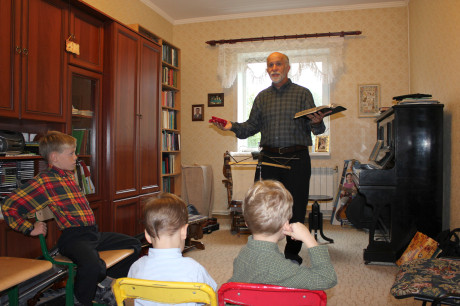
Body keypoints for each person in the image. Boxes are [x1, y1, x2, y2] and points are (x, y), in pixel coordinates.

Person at [211, 52, 330, 264]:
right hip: (269, 159)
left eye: (278, 64)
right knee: (263, 206)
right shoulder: (261, 97)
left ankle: (292, 254)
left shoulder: (303, 94)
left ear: (287, 67)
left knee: (297, 208)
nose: (274, 68)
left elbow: (317, 129)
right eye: (270, 65)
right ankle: (264, 251)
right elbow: (250, 127)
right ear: (267, 69)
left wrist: (317, 121)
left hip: (297, 158)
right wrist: (230, 126)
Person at [1, 131, 141, 306]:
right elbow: (9, 205)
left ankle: (103, 287)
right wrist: (29, 228)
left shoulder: (68, 176)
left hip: (92, 235)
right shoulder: (45, 181)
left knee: (134, 244)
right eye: (71, 153)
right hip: (73, 239)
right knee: (92, 266)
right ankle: (80, 300)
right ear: (55, 157)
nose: (76, 157)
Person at [229, 180, 337, 289]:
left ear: (247, 223)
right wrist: (308, 238)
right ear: (286, 224)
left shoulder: (242, 255)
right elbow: (327, 278)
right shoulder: (279, 268)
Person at [128, 193, 217, 305]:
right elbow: (211, 296)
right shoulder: (195, 270)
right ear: (184, 231)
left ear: (147, 235)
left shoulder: (136, 267)